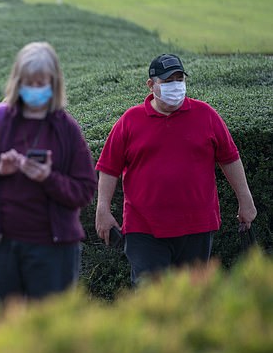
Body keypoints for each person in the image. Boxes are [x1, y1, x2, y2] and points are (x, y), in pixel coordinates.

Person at [94, 53, 257, 285]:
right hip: (145, 230)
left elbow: (229, 158)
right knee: (151, 299)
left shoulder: (206, 115)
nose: (176, 86)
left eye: (179, 79)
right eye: (168, 81)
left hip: (196, 226)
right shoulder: (130, 120)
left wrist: (246, 200)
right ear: (151, 85)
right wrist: (102, 209)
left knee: (192, 300)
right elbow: (109, 168)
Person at [0, 41, 97, 307]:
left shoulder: (65, 128)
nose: (34, 89)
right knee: (2, 328)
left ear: (53, 83)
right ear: (17, 82)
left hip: (52, 246)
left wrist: (48, 178)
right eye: (28, 83)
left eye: (41, 83)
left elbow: (84, 190)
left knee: (49, 330)